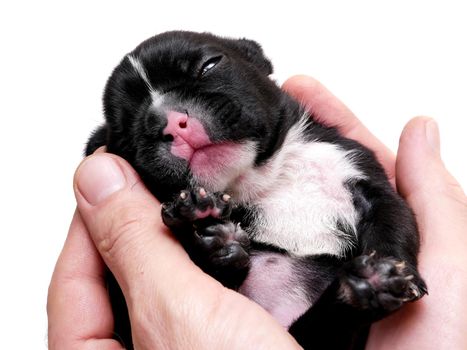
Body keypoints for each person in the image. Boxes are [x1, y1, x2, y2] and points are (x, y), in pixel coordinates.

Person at [47, 75, 467, 349]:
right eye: (141, 130)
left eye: (209, 67)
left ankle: (355, 298)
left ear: (252, 62)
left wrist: (393, 261)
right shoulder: (209, 205)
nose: (175, 122)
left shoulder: (330, 152)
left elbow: (384, 209)